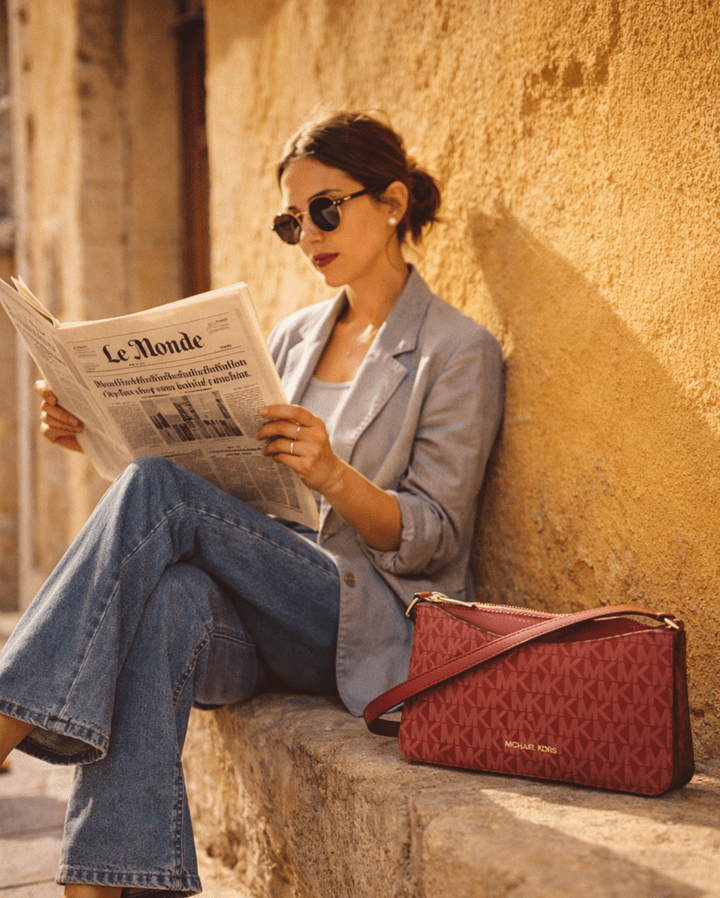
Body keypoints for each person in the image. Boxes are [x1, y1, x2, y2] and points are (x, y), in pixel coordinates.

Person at [0, 111, 503, 897]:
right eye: (290, 221)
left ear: (394, 202)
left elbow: (435, 539)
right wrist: (96, 436)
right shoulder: (295, 336)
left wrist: (335, 475)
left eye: (325, 210)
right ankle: (104, 884)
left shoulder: (456, 351)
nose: (308, 236)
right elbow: (213, 493)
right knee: (172, 597)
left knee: (160, 491)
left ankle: (10, 711)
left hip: (362, 619)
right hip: (258, 603)